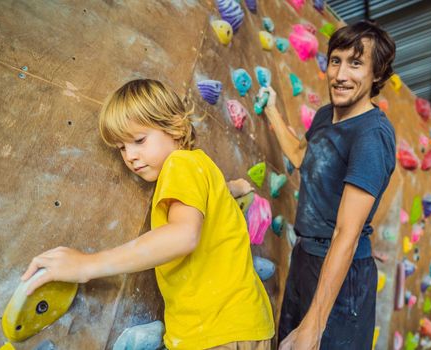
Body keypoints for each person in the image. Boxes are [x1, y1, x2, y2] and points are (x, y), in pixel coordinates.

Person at [21, 79, 274, 350]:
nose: (130, 156)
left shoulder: (179, 165)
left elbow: (183, 235)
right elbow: (217, 195)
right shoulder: (199, 166)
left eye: (139, 140)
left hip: (216, 333)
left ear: (175, 128)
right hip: (243, 324)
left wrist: (87, 265)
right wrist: (234, 187)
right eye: (121, 148)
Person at [260, 20, 396, 349]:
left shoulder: (371, 136)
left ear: (377, 74)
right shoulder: (326, 115)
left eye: (355, 63)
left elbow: (345, 234)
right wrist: (272, 110)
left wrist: (315, 323)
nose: (340, 75)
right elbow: (299, 154)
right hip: (306, 257)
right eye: (336, 61)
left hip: (343, 272)